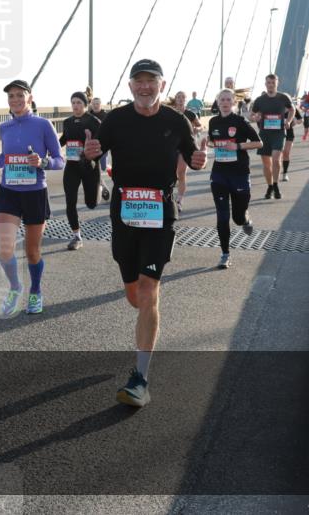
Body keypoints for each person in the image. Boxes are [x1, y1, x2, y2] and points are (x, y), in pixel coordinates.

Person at [83, 59, 206, 408]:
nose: (145, 87)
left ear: (162, 86)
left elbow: (193, 157)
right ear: (130, 86)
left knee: (149, 290)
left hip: (160, 211)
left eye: (151, 81)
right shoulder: (116, 119)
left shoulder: (175, 121)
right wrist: (89, 154)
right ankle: (146, 322)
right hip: (124, 211)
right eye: (139, 81)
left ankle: (140, 377)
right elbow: (93, 153)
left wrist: (200, 160)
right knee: (134, 295)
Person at [0, 80, 64, 316]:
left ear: (30, 97)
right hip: (8, 192)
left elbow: (59, 159)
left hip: (35, 192)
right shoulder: (5, 127)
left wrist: (43, 162)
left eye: (19, 95)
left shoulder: (43, 125)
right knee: (5, 250)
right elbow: (5, 156)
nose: (15, 100)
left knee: (32, 251)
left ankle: (35, 291)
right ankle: (15, 287)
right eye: (11, 96)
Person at [205, 89, 261, 269]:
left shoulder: (240, 121)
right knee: (222, 217)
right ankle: (225, 254)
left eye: (229, 99)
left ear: (233, 102)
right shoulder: (213, 121)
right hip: (219, 175)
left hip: (239, 174)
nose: (225, 102)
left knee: (237, 217)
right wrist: (209, 143)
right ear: (218, 102)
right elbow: (212, 141)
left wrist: (236, 146)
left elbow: (259, 142)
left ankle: (245, 219)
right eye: (222, 99)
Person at [60, 91, 101, 250]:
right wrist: (50, 149)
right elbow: (64, 139)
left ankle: (99, 186)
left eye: (78, 102)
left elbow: (101, 145)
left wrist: (90, 151)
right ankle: (77, 236)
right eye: (73, 102)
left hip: (89, 166)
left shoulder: (94, 122)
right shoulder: (67, 122)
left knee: (91, 203)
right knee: (70, 201)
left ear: (85, 104)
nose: (75, 106)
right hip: (72, 166)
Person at [249, 74, 294, 200]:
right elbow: (251, 115)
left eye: (273, 83)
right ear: (265, 84)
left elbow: (292, 109)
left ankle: (276, 185)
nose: (271, 85)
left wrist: (288, 121)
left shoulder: (283, 97)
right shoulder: (260, 100)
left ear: (277, 83)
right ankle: (269, 186)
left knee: (275, 159)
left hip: (279, 133)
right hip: (264, 133)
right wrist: (255, 117)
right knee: (266, 163)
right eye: (268, 82)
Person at [171, 91, 202, 213]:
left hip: (185, 147)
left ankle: (179, 200)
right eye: (178, 97)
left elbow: (200, 126)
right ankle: (169, 197)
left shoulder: (190, 114)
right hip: (172, 147)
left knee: (181, 173)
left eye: (182, 97)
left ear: (186, 99)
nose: (180, 99)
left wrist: (196, 129)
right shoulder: (171, 113)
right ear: (175, 99)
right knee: (171, 173)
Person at [88, 97, 111, 201]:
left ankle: (103, 183)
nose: (96, 105)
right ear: (91, 104)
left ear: (101, 104)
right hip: (91, 146)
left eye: (97, 103)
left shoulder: (106, 116)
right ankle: (103, 187)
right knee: (94, 169)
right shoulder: (88, 116)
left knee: (103, 168)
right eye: (94, 103)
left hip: (103, 146)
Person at [281, 103, 303, 182]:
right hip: (277, 134)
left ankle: (285, 173)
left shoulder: (292, 109)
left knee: (286, 153)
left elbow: (300, 120)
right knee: (278, 154)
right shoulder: (275, 107)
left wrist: (294, 122)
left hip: (289, 134)